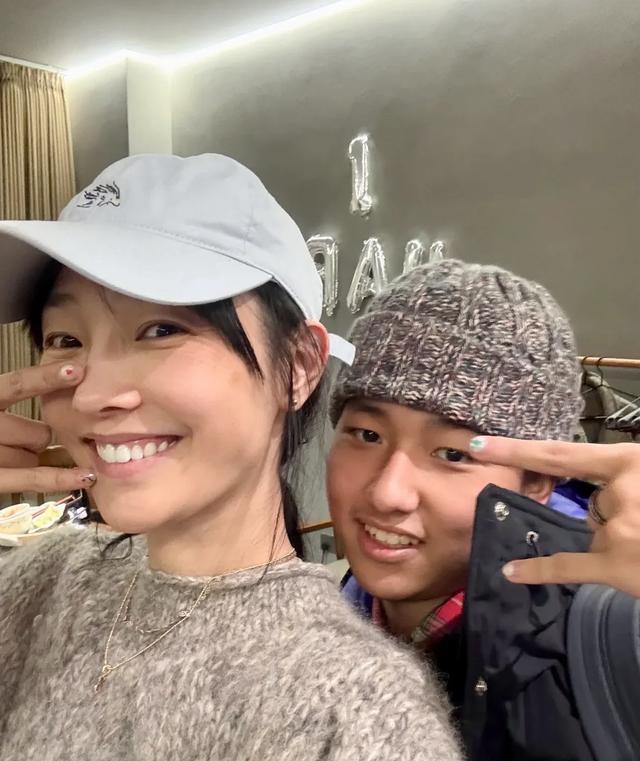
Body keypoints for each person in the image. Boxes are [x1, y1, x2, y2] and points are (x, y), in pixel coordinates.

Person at [0, 154, 463, 761]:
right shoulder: (46, 583)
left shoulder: (358, 712)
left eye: (161, 329)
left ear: (298, 366)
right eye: (66, 340)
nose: (91, 396)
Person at [328, 259, 640, 761]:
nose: (387, 493)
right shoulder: (327, 609)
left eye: (453, 454)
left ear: (536, 481)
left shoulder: (606, 637)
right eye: (367, 434)